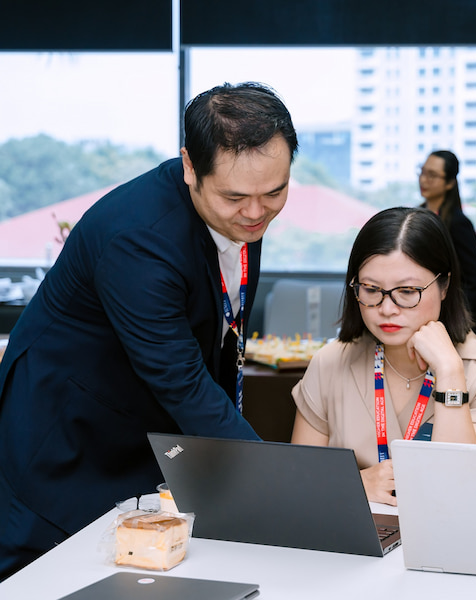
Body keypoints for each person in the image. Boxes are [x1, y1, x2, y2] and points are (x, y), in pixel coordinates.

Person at [0, 82, 297, 580]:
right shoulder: (139, 241)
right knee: (42, 568)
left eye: (275, 192)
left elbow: (218, 336)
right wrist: (277, 489)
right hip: (66, 424)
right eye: (235, 196)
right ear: (189, 167)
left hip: (138, 415)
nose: (255, 212)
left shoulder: (242, 212)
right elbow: (182, 380)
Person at [291, 206, 476, 506]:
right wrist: (357, 484)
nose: (387, 309)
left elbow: (462, 492)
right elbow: (298, 480)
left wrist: (449, 372)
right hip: (352, 544)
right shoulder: (331, 362)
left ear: (445, 284)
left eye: (407, 291)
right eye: (371, 289)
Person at [418, 150, 476, 340]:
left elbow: (475, 279)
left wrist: (458, 316)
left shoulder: (458, 223)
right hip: (422, 315)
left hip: (455, 323)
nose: (424, 180)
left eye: (432, 175)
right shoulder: (416, 216)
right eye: (422, 172)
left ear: (449, 183)